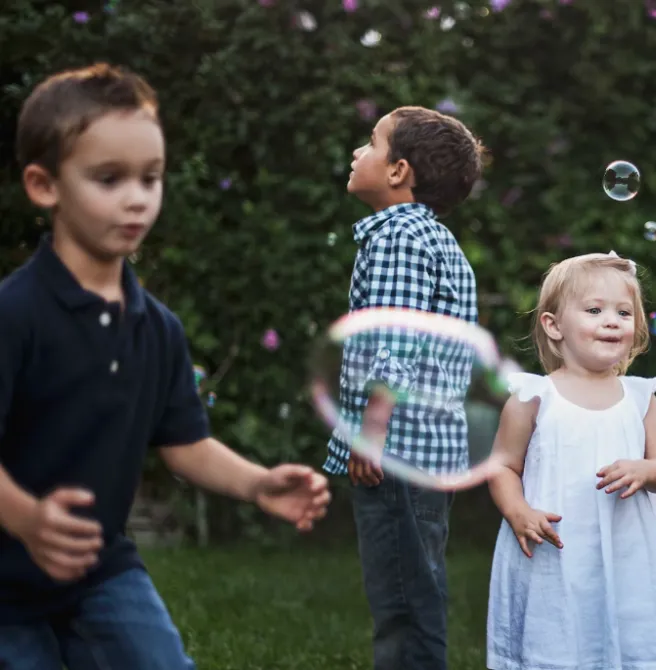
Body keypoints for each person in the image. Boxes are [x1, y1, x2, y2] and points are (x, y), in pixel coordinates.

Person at [0, 62, 331, 668]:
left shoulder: (156, 328)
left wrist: (257, 484)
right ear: (44, 186)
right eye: (109, 178)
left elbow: (185, 444)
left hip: (99, 568)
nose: (137, 198)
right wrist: (27, 519)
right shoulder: (15, 315)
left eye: (150, 178)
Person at [323, 106, 483, 670]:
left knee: (403, 603)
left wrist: (371, 432)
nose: (356, 153)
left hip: (396, 451)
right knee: (416, 588)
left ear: (398, 171)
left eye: (370, 143)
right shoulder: (433, 238)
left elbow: (396, 340)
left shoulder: (399, 237)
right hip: (423, 452)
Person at [486, 252, 656, 670]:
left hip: (625, 553)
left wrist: (647, 469)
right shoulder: (534, 396)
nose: (611, 321)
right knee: (558, 643)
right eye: (594, 310)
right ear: (554, 325)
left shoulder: (639, 398)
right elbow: (503, 465)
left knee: (626, 637)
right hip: (554, 553)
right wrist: (518, 511)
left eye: (623, 313)